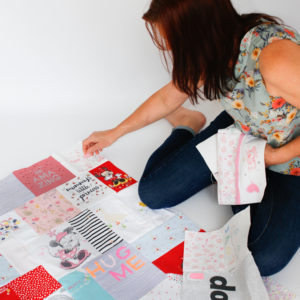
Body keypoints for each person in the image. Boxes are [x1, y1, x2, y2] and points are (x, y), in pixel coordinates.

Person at [82, 0, 300, 276]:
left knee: (263, 260)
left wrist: (276, 156)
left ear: (196, 29)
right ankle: (187, 123)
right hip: (244, 133)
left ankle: (250, 183)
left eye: (172, 39)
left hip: (290, 160)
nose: (170, 48)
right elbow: (168, 97)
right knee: (153, 193)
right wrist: (115, 132)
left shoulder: (275, 57)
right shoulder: (215, 48)